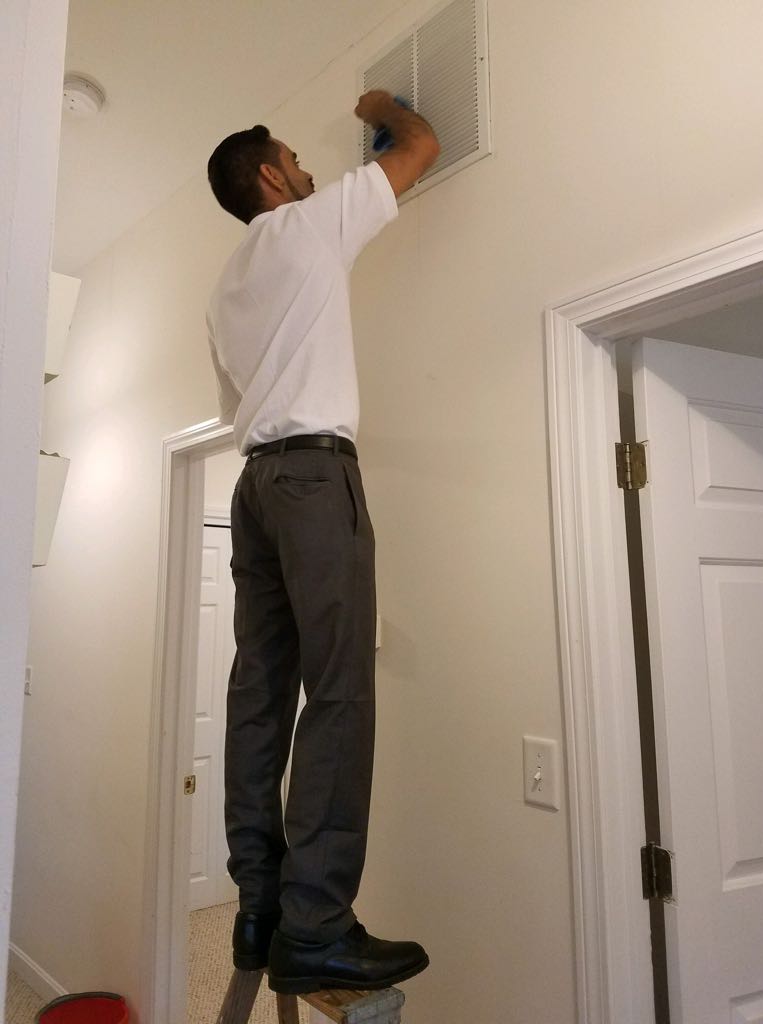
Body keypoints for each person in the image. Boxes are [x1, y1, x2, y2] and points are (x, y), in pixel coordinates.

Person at [205, 91, 440, 995]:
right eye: (296, 158)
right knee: (338, 687)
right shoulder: (305, 223)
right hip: (310, 477)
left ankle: (259, 904)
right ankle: (316, 925)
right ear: (272, 178)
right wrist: (382, 103)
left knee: (258, 688)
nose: (309, 169)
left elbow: (234, 410)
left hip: (257, 480)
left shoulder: (224, 287)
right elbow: (419, 143)